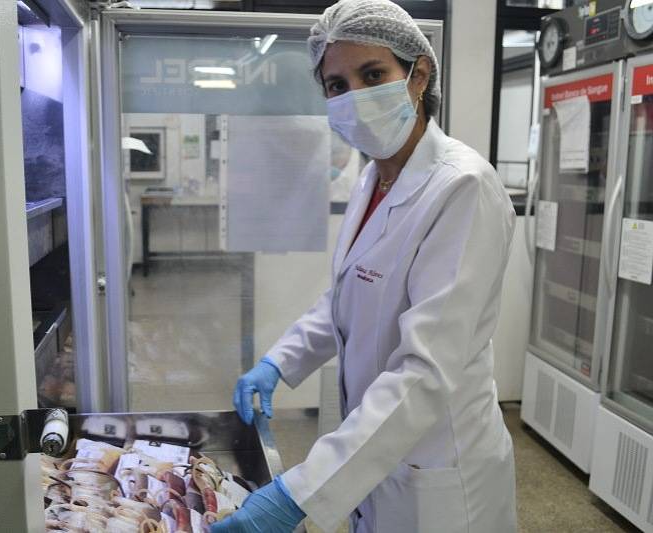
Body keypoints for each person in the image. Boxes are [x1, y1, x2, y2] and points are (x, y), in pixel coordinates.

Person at [211, 0, 517, 532]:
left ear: (419, 75)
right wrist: (279, 362)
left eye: (372, 75)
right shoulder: (373, 179)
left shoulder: (463, 187)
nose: (353, 96)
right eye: (337, 85)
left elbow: (425, 371)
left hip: (441, 467)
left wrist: (299, 493)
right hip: (381, 455)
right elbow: (348, 296)